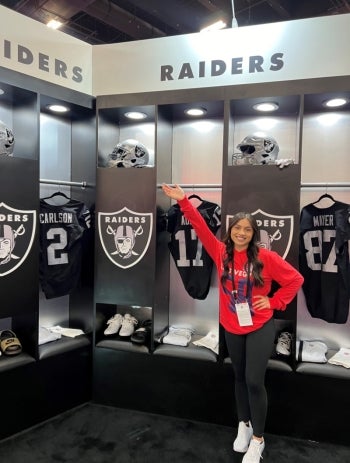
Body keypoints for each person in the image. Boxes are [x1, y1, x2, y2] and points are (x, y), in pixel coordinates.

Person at [161, 183, 304, 463]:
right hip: (231, 324)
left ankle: (259, 440)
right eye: (237, 228)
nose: (241, 233)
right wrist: (183, 202)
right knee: (238, 377)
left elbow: (295, 280)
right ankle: (244, 424)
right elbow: (201, 227)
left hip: (260, 325)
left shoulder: (266, 258)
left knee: (253, 380)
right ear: (231, 231)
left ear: (253, 235)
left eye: (247, 229)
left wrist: (274, 303)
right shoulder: (221, 251)